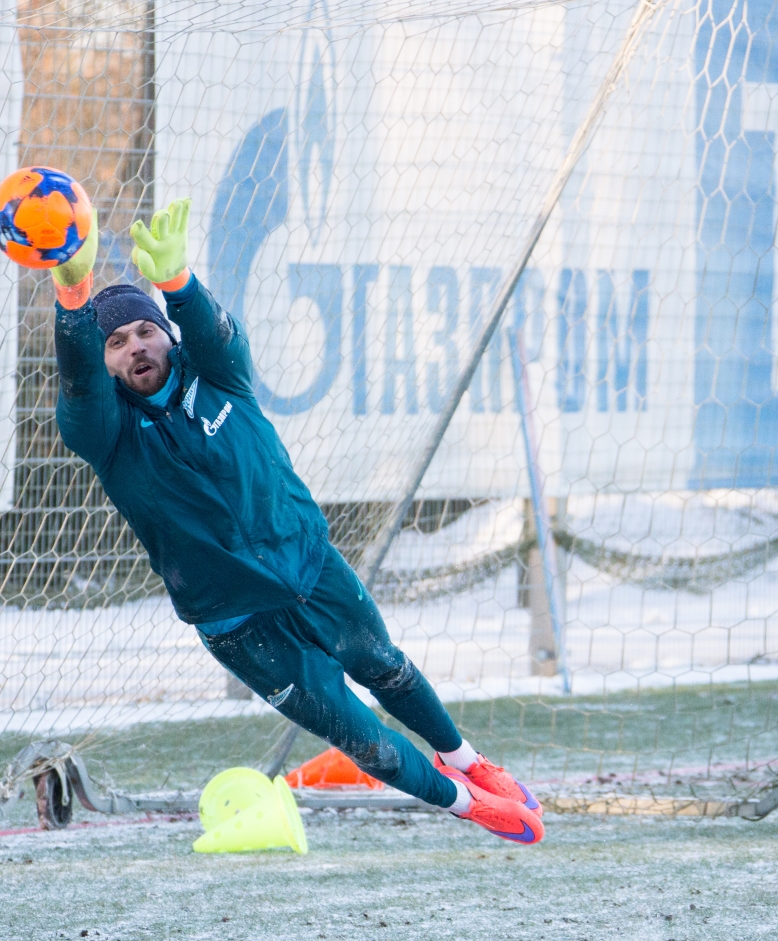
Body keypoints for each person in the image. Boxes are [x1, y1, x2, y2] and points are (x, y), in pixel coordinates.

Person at [38, 197, 543, 844]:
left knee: (384, 666)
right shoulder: (103, 430)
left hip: (310, 564)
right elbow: (79, 382)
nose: (135, 346)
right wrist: (73, 294)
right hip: (237, 623)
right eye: (116, 342)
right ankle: (467, 805)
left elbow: (221, 335)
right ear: (108, 361)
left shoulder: (218, 375)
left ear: (166, 336)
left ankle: (470, 762)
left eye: (145, 331)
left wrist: (178, 285)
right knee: (357, 734)